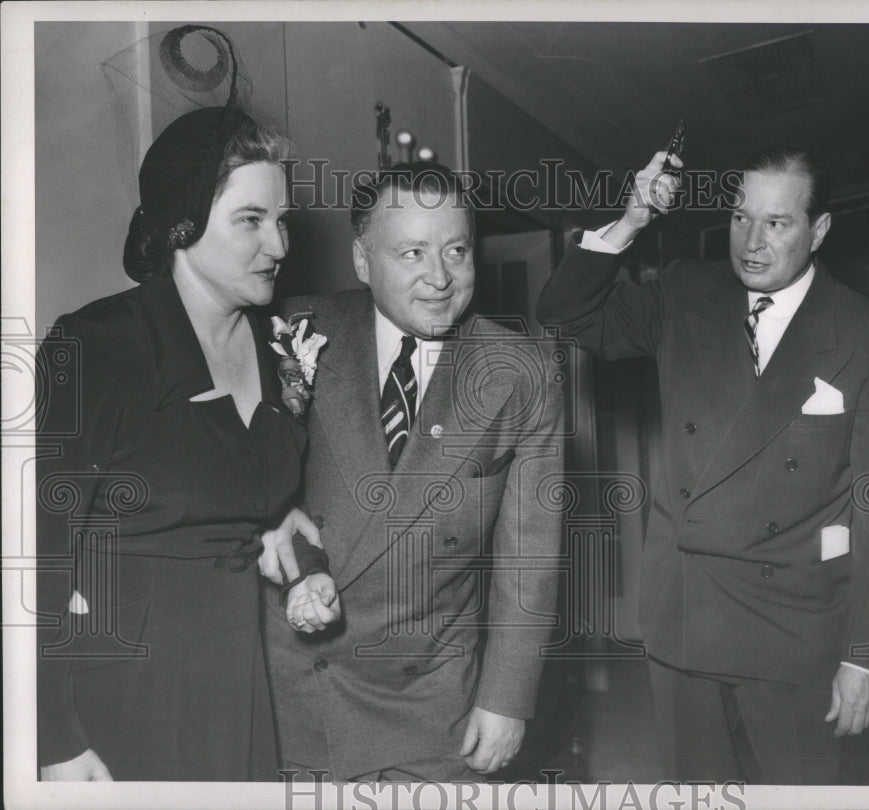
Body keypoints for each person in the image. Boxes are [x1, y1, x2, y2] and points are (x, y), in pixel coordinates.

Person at [535, 146, 869, 783]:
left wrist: (868, 657)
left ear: (818, 230)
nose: (753, 242)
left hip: (793, 625)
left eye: (778, 223)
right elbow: (565, 312)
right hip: (684, 608)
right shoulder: (687, 290)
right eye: (742, 218)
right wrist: (631, 220)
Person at [35, 105, 335, 781]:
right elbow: (31, 558)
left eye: (282, 220)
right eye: (251, 220)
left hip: (237, 683)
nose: (280, 246)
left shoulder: (274, 346)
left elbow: (268, 514)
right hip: (118, 698)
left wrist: (306, 566)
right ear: (182, 224)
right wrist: (53, 740)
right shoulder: (98, 345)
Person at [263, 163, 564, 782]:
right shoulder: (293, 332)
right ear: (361, 260)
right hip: (295, 686)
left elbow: (528, 555)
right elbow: (248, 493)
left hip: (430, 696)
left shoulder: (520, 370)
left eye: (457, 250)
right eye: (412, 252)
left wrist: (506, 698)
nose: (440, 277)